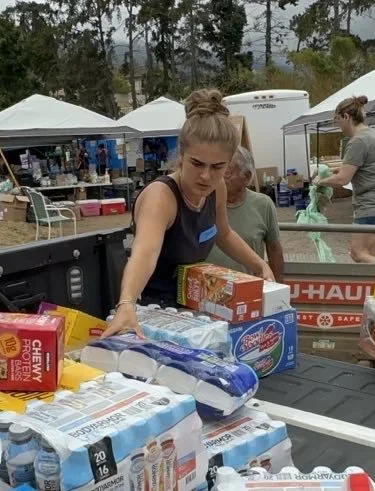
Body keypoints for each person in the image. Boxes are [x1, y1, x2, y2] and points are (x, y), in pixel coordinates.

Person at [104, 90, 274, 336]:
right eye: (197, 164)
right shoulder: (161, 197)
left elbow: (224, 234)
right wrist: (127, 302)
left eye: (217, 167)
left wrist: (259, 265)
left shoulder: (218, 189)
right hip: (152, 312)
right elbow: (145, 252)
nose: (206, 176)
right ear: (181, 156)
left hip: (194, 307)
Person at [316, 95, 375, 265]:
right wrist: (334, 171)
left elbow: (342, 180)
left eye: (337, 120)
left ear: (346, 117)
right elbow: (361, 167)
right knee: (370, 252)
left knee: (358, 253)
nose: (337, 126)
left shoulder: (357, 141)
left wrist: (318, 182)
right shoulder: (373, 134)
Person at [206, 146, 285, 281]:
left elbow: (274, 249)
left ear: (246, 177)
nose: (218, 177)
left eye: (227, 173)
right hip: (206, 289)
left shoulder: (263, 204)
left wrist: (278, 286)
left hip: (247, 290)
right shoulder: (202, 202)